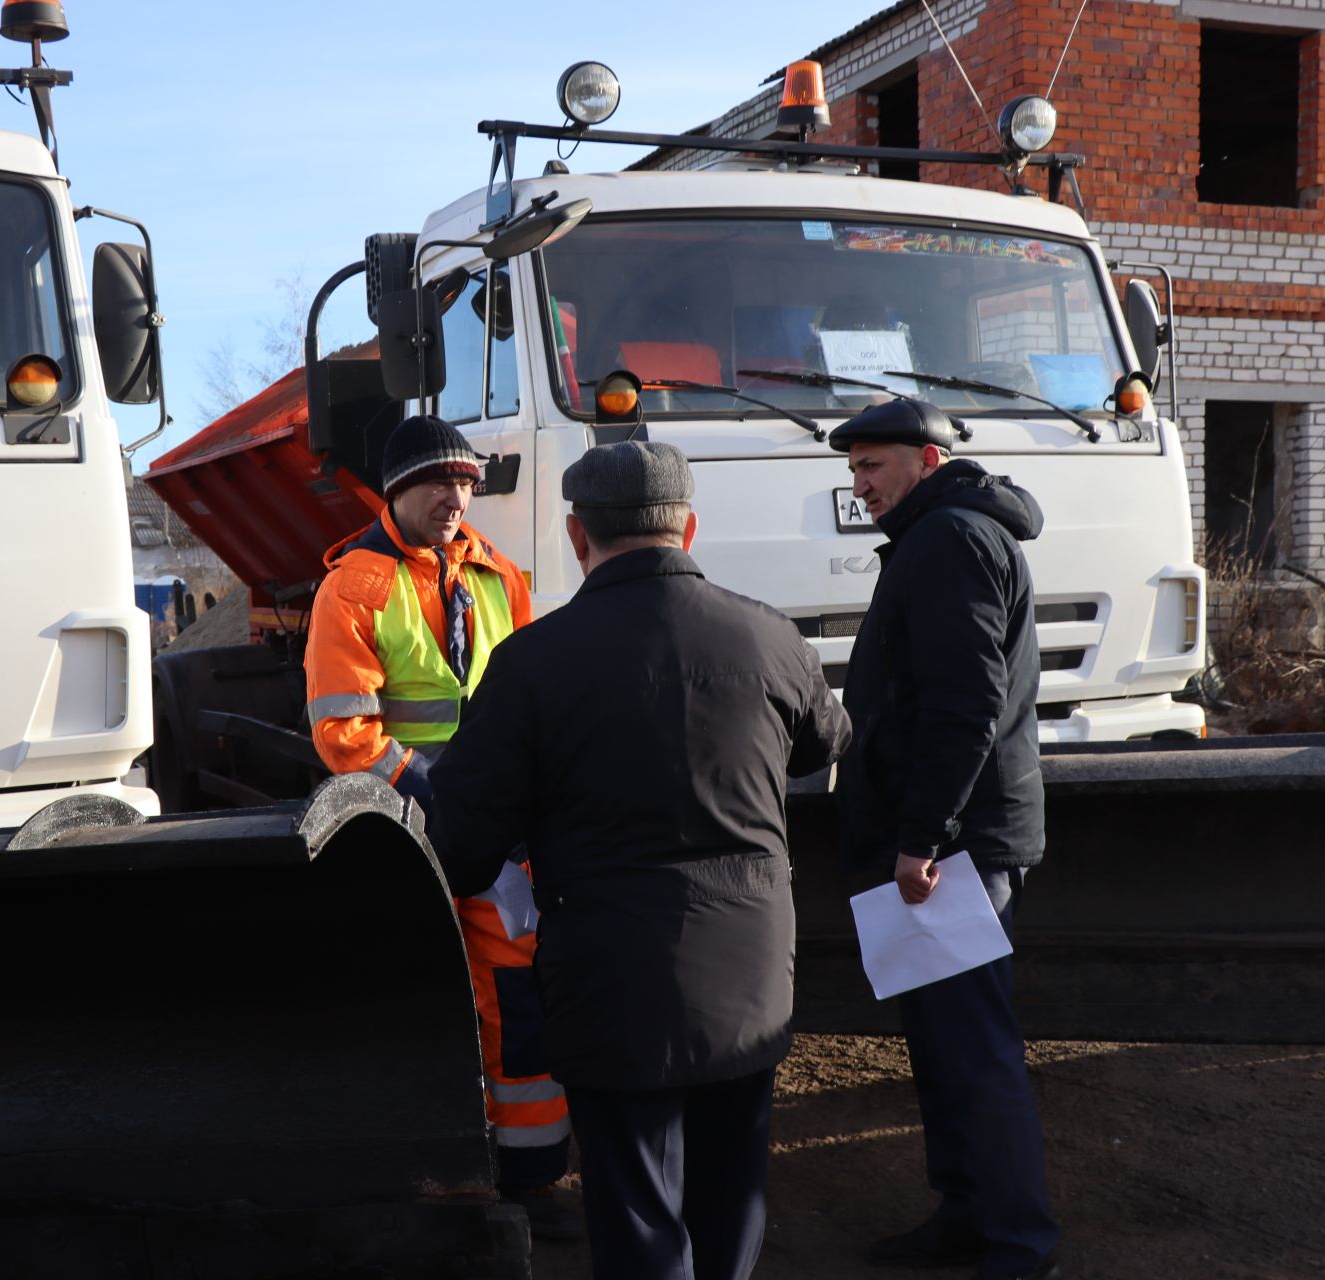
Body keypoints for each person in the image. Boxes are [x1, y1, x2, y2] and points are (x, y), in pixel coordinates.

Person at [427, 441, 852, 1280]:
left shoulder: (529, 665)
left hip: (608, 979)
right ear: (688, 528)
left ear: (578, 537)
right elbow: (825, 746)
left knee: (636, 1209)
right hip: (749, 973)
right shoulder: (770, 636)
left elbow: (464, 842)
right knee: (733, 1194)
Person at [303, 413, 574, 1235]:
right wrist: (436, 788)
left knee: (516, 992)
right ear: (396, 491)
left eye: (465, 481)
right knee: (415, 996)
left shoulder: (503, 577)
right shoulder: (352, 585)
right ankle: (419, 1173)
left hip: (494, 828)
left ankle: (530, 1180)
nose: (456, 496)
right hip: (402, 828)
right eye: (437, 482)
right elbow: (343, 730)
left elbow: (532, 697)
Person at [827, 397, 1061, 1280]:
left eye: (873, 466)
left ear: (926, 460)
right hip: (953, 835)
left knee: (973, 1047)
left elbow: (966, 705)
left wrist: (922, 836)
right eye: (852, 471)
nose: (861, 484)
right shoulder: (942, 534)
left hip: (955, 845)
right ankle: (966, 1214)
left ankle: (1017, 1244)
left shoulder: (950, 540)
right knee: (942, 1044)